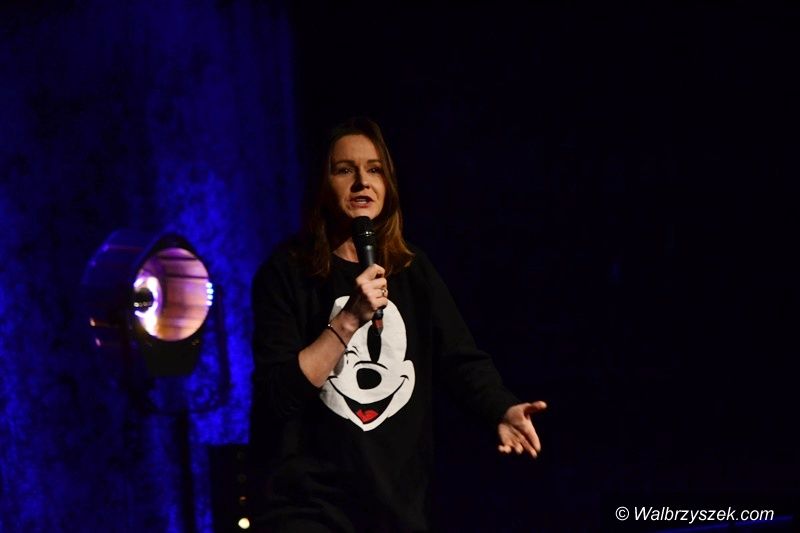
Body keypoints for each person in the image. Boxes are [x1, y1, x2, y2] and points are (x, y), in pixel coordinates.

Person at [248, 117, 547, 532]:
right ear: (321, 184)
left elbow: (459, 359)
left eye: (374, 170)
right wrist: (349, 319)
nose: (362, 183)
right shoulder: (286, 273)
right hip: (308, 510)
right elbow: (279, 394)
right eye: (344, 170)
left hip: (394, 508)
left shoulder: (412, 271)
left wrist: (501, 406)